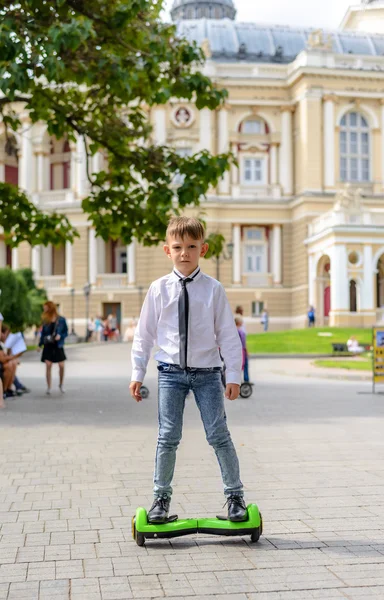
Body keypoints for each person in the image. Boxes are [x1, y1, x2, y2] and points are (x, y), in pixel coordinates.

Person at [130, 216, 247, 524]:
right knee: (167, 436)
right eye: (178, 247)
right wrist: (137, 373)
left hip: (208, 374)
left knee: (218, 435)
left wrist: (234, 376)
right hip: (170, 373)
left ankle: (235, 498)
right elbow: (144, 335)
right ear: (167, 250)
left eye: (192, 247)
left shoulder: (213, 290)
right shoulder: (158, 290)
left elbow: (228, 335)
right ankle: (160, 500)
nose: (185, 253)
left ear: (203, 249)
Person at [38, 301, 68, 395]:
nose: (44, 309)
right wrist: (40, 344)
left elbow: (66, 332)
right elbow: (42, 334)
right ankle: (49, 386)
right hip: (48, 345)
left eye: (46, 307)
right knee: (48, 365)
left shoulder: (61, 320)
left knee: (61, 365)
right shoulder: (45, 320)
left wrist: (60, 336)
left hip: (58, 345)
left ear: (50, 308)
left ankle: (61, 384)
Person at [235, 317, 249, 383]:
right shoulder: (240, 331)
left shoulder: (235, 330)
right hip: (241, 350)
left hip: (237, 350)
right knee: (241, 364)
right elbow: (243, 342)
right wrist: (246, 350)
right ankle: (240, 380)